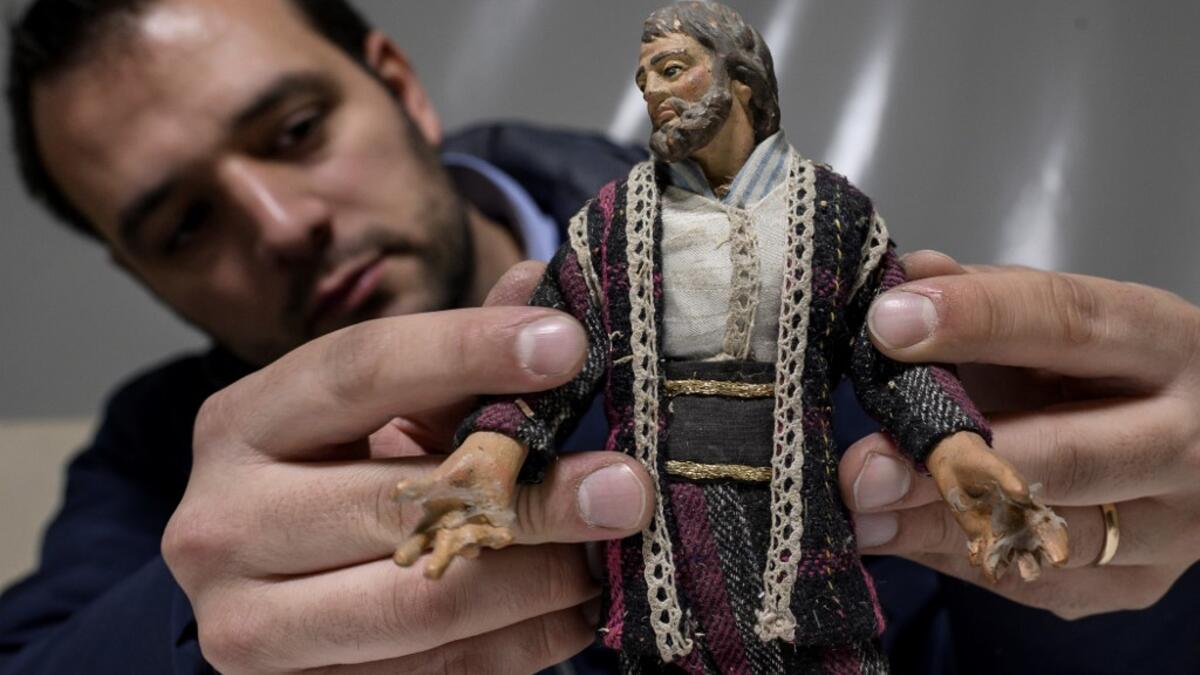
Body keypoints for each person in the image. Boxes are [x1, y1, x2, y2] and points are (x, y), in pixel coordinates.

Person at [1, 0, 1198, 673]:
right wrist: (205, 636)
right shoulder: (160, 454)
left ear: (396, 84)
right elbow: (542, 378)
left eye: (298, 127)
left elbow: (895, 374)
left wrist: (1022, 477)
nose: (279, 226)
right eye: (182, 222)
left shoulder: (832, 230)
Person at [392, 4, 1062, 673]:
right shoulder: (610, 223)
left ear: (741, 79)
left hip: (802, 534)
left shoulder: (835, 215)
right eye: (645, 78)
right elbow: (556, 361)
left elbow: (890, 358)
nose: (653, 92)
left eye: (673, 70)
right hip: (662, 541)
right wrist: (491, 451)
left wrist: (956, 447)